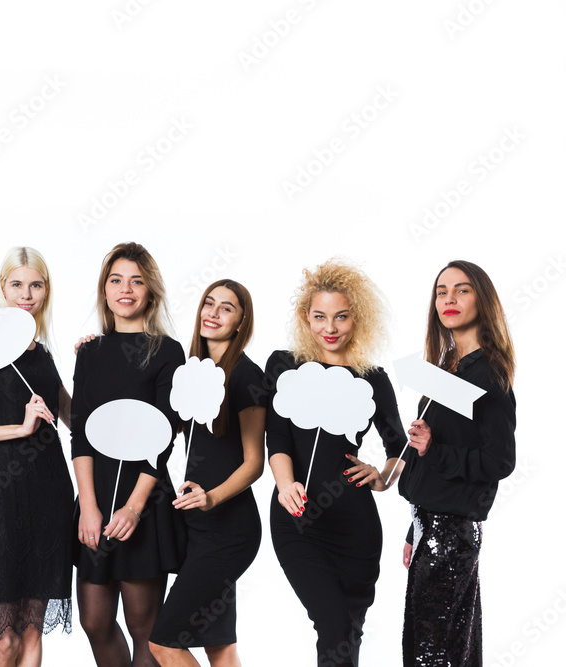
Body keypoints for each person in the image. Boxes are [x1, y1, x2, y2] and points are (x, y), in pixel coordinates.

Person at [265, 259, 404, 667]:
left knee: (348, 630)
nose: (330, 328)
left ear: (356, 318)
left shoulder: (372, 377)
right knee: (332, 622)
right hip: (298, 516)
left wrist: (382, 476)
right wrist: (285, 484)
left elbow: (399, 447)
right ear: (305, 317)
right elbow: (278, 438)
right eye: (320, 316)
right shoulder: (284, 365)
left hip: (355, 526)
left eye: (341, 317)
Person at [0, 247, 74, 667]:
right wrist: (20, 428)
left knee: (31, 633)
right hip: (1, 500)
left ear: (46, 291)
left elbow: (73, 417)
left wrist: (95, 358)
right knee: (4, 640)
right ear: (2, 287)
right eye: (17, 284)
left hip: (50, 493)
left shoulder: (43, 352)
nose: (26, 294)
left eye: (36, 285)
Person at [72, 241, 186, 666]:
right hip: (95, 494)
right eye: (116, 280)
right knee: (95, 622)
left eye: (136, 281)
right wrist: (88, 506)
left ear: (150, 292)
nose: (126, 289)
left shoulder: (169, 352)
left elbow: (164, 439)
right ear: (104, 291)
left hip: (146, 497)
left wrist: (134, 508)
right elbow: (80, 434)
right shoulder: (90, 352)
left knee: (144, 628)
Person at [398, 260, 516, 666]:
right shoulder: (447, 368)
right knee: (438, 648)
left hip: (452, 534)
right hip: (429, 525)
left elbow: (500, 460)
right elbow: (429, 463)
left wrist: (435, 449)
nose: (449, 299)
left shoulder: (489, 375)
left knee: (436, 653)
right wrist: (414, 528)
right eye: (441, 291)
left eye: (462, 290)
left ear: (481, 300)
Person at [149, 280, 265, 667]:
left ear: (240, 322)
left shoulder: (246, 375)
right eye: (208, 304)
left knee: (163, 643)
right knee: (219, 645)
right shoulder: (193, 372)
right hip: (197, 527)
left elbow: (254, 462)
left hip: (229, 530)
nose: (212, 314)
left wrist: (211, 496)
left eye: (226, 308)